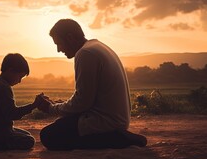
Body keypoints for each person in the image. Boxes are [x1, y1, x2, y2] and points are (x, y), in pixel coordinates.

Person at [38, 19, 147, 150]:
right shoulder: (96, 46)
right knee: (61, 126)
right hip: (116, 119)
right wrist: (59, 105)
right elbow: (87, 99)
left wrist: (51, 108)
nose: (58, 50)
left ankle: (117, 139)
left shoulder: (85, 54)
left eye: (59, 44)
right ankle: (116, 136)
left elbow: (82, 103)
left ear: (70, 38)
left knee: (48, 136)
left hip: (105, 122)